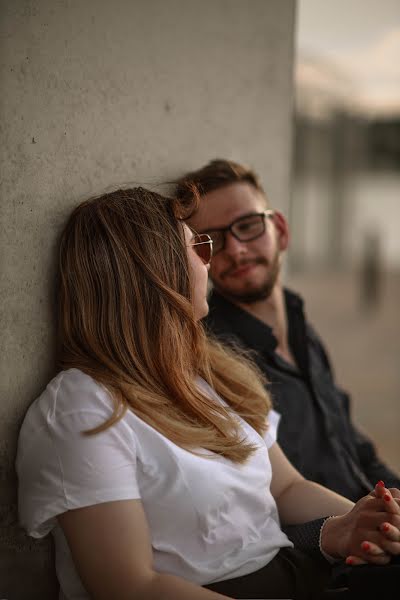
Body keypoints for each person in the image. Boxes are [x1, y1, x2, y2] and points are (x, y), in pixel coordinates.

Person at [16, 187, 400, 600]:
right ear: (158, 273)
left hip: (299, 572)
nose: (210, 261)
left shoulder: (208, 372)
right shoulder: (80, 410)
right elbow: (128, 586)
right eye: (199, 246)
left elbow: (287, 487)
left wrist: (363, 522)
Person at [176, 159, 400, 503]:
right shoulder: (213, 360)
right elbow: (262, 504)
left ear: (280, 229)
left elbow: (356, 448)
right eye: (214, 240)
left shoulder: (300, 326)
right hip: (328, 545)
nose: (235, 249)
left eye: (247, 225)